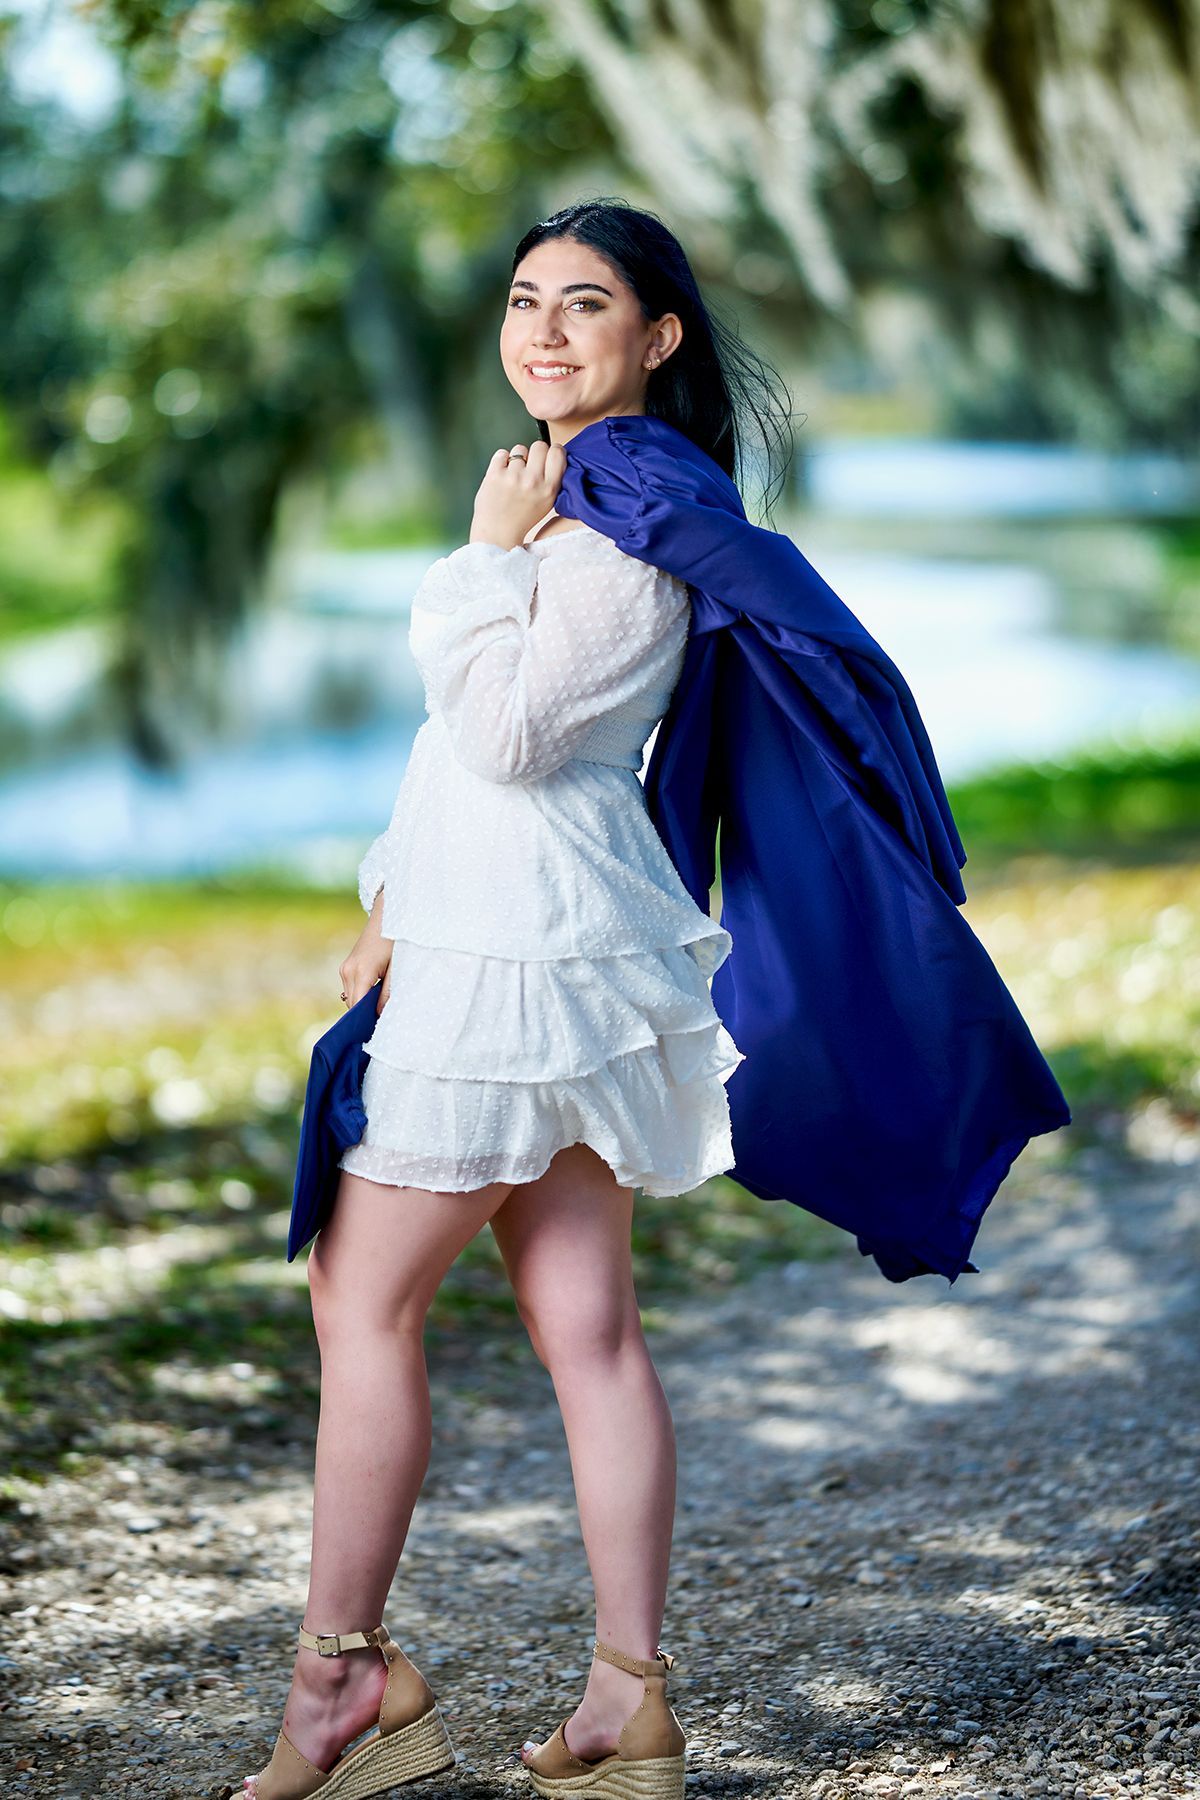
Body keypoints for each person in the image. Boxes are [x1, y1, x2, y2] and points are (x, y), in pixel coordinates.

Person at [240, 198, 793, 1800]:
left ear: (658, 338)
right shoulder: (589, 493)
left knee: (368, 1302)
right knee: (585, 1330)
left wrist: (478, 567)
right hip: (506, 935)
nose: (544, 330)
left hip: (532, 959)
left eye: (586, 304)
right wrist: (394, 905)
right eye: (524, 299)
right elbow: (459, 768)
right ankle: (626, 1708)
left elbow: (506, 739)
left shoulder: (631, 517)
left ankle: (343, 1683)